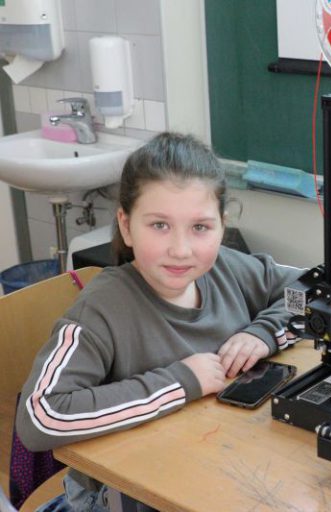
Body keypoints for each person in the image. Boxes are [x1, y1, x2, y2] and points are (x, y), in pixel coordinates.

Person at [16, 132, 303, 510]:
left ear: (222, 226)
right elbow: (40, 417)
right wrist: (181, 381)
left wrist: (264, 333)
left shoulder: (228, 269)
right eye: (159, 225)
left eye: (200, 227)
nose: (181, 250)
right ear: (126, 225)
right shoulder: (101, 311)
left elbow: (314, 291)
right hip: (122, 497)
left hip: (209, 467)